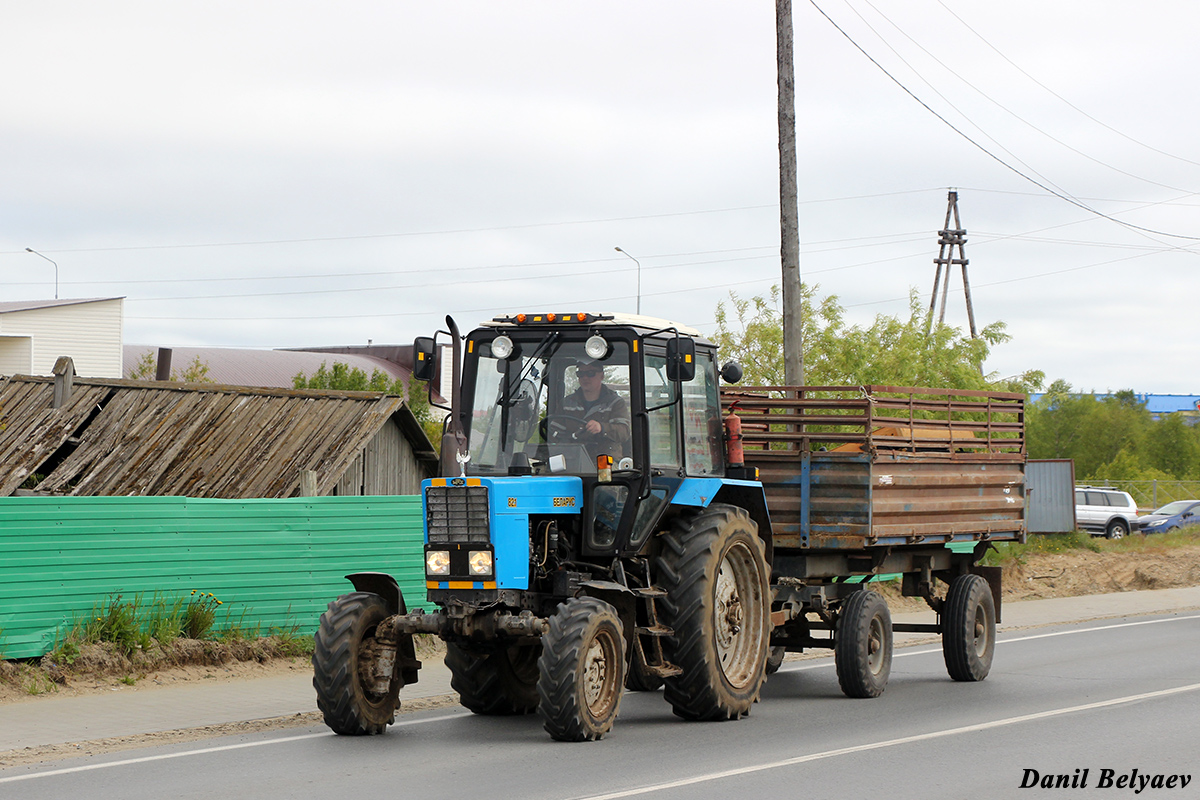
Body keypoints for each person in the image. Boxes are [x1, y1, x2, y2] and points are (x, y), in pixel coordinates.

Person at [560, 360, 631, 460]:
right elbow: (553, 432)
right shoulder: (566, 404)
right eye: (580, 374)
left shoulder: (615, 403)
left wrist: (602, 428)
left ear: (602, 376)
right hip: (572, 460)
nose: (585, 378)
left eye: (590, 373)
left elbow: (624, 432)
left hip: (606, 462)